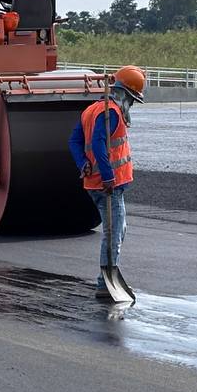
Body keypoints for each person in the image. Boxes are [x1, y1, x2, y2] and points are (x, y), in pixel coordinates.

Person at [69, 65, 146, 300]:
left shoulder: (90, 110)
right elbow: (100, 144)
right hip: (108, 186)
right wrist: (108, 177)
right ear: (124, 94)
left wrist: (83, 163)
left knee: (119, 229)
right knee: (113, 233)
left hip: (98, 183)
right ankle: (105, 283)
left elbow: (73, 141)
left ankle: (107, 279)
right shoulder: (110, 112)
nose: (131, 104)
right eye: (131, 99)